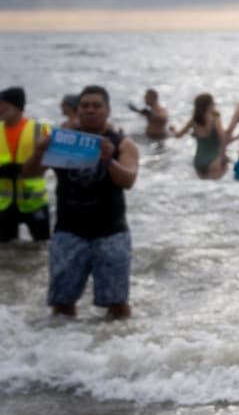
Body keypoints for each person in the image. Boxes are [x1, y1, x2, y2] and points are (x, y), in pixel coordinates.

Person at [23, 85, 139, 320]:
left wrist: (109, 161)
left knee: (117, 304)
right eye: (85, 106)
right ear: (77, 111)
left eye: (97, 106)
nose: (90, 110)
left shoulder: (122, 143)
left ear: (108, 110)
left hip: (111, 232)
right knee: (62, 304)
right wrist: (38, 152)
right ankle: (63, 341)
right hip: (68, 232)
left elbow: (128, 180)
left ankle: (118, 341)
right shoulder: (62, 140)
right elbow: (30, 174)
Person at [1, 86, 53, 242]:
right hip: (3, 203)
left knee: (43, 244)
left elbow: (54, 159)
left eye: (3, 104)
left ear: (17, 107)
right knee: (4, 250)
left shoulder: (41, 129)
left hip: (34, 201)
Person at [170, 93, 228, 179]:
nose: (215, 105)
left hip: (198, 160)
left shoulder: (194, 121)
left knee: (201, 185)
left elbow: (178, 135)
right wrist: (222, 157)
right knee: (215, 186)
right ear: (209, 105)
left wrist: (174, 129)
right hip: (214, 160)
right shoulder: (215, 119)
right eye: (213, 103)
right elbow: (223, 138)